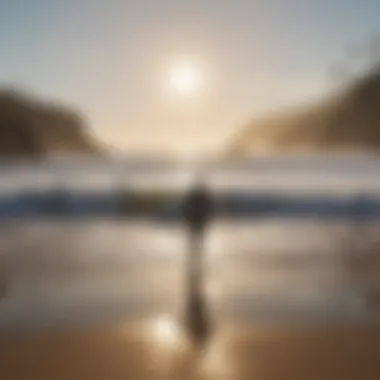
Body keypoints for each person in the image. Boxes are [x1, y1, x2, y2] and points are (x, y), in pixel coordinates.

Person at [182, 179, 214, 343]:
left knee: (194, 246)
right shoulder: (202, 197)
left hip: (195, 223)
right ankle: (196, 267)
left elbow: (188, 209)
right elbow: (208, 208)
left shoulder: (195, 197)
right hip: (199, 223)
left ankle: (194, 268)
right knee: (198, 245)